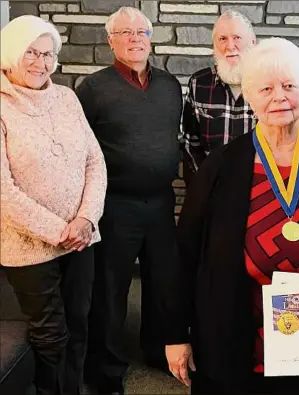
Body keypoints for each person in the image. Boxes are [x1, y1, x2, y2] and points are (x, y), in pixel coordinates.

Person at [162, 37, 299, 395]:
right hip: (231, 336)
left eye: (288, 86)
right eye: (266, 88)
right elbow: (184, 252)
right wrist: (176, 334)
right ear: (251, 96)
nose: (278, 97)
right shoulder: (219, 167)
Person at [75, 6, 182, 395]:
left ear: (150, 37)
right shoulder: (92, 89)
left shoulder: (170, 85)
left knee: (163, 284)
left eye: (141, 31)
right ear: (110, 40)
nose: (135, 38)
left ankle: (158, 352)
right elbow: (81, 151)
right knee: (110, 290)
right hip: (114, 205)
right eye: (125, 32)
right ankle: (105, 371)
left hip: (160, 202)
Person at [0, 15, 107, 395]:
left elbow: (95, 161)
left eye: (48, 55)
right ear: (11, 53)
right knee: (51, 335)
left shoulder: (66, 97)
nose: (40, 63)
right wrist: (57, 232)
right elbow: (3, 191)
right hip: (28, 246)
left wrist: (85, 219)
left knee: (78, 324)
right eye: (31, 52)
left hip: (81, 238)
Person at [181, 10, 257, 184]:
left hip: (259, 195)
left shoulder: (269, 84)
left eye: (237, 37)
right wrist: (204, 187)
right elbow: (191, 143)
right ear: (214, 45)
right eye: (222, 39)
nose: (230, 46)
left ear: (253, 42)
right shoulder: (198, 84)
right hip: (211, 193)